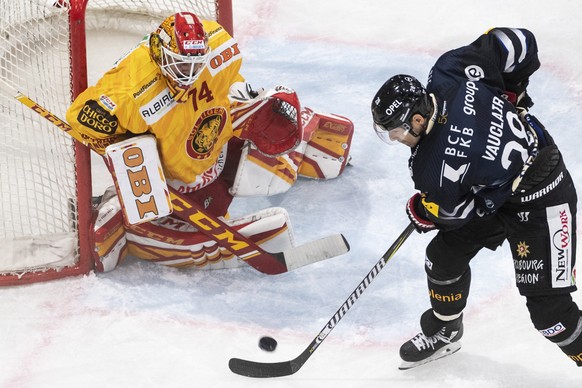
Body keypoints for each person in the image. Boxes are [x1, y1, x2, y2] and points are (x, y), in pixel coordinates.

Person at [66, 12, 354, 272]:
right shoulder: (129, 94)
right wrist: (131, 156)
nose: (188, 75)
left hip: (216, 149)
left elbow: (229, 83)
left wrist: (243, 97)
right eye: (180, 65)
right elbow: (79, 120)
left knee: (265, 114)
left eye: (195, 64)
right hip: (178, 182)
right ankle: (117, 214)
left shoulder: (217, 43)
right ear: (159, 53)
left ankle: (310, 144)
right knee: (151, 213)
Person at [371, 27, 581, 369]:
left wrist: (423, 211)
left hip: (544, 198)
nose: (395, 139)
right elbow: (517, 41)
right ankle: (445, 331)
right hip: (499, 189)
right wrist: (513, 91)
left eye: (396, 130)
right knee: (442, 258)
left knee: (550, 314)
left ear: (418, 119)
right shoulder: (450, 70)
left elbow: (455, 213)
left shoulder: (431, 168)